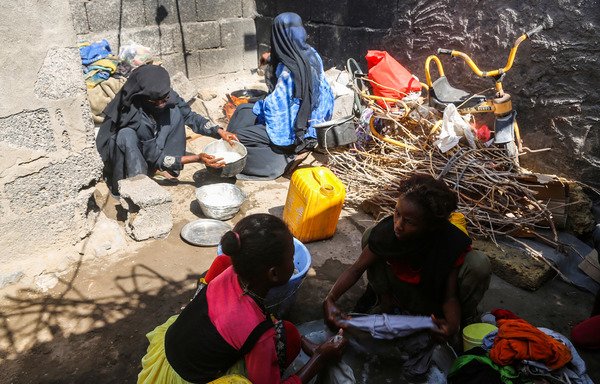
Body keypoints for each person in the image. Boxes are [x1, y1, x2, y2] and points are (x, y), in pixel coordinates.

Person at [138, 214, 347, 384]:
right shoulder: (259, 333)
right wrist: (320, 357)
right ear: (273, 274)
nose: (293, 263)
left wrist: (304, 341)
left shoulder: (224, 267)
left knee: (287, 333)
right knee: (287, 337)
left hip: (172, 358)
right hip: (189, 379)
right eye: (291, 259)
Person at [323, 174, 492, 343]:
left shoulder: (447, 245)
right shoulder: (389, 233)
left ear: (429, 227)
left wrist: (452, 325)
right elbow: (355, 269)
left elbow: (449, 296)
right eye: (397, 213)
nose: (398, 225)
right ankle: (386, 304)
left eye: (409, 222)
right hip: (399, 290)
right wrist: (330, 299)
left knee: (479, 264)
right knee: (371, 236)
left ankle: (461, 322)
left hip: (432, 298)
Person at [95, 64, 238, 194]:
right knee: (127, 135)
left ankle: (162, 168)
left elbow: (189, 116)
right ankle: (136, 187)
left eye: (164, 98)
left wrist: (218, 131)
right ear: (143, 97)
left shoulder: (163, 93)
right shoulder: (135, 116)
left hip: (146, 143)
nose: (162, 103)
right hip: (123, 151)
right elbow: (154, 156)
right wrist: (197, 158)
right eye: (156, 101)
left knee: (174, 110)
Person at [227, 12, 334, 180]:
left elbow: (276, 108)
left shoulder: (288, 71)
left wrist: (258, 105)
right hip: (314, 123)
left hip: (295, 131)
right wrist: (270, 57)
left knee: (238, 135)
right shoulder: (311, 54)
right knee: (242, 110)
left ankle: (277, 162)